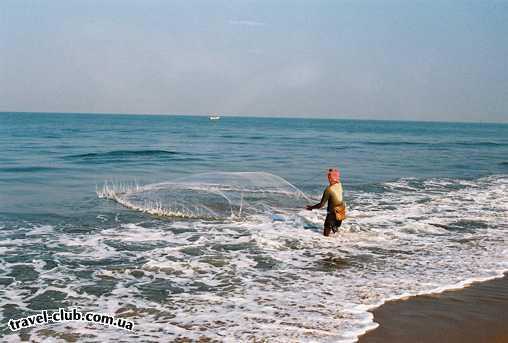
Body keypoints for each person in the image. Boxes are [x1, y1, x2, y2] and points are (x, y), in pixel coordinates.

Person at [306, 168, 344, 236]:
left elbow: (321, 205)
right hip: (341, 212)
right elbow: (336, 175)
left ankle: (328, 245)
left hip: (332, 214)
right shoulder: (339, 185)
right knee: (335, 229)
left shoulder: (328, 190)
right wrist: (332, 170)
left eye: (328, 176)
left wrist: (311, 208)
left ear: (329, 178)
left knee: (326, 235)